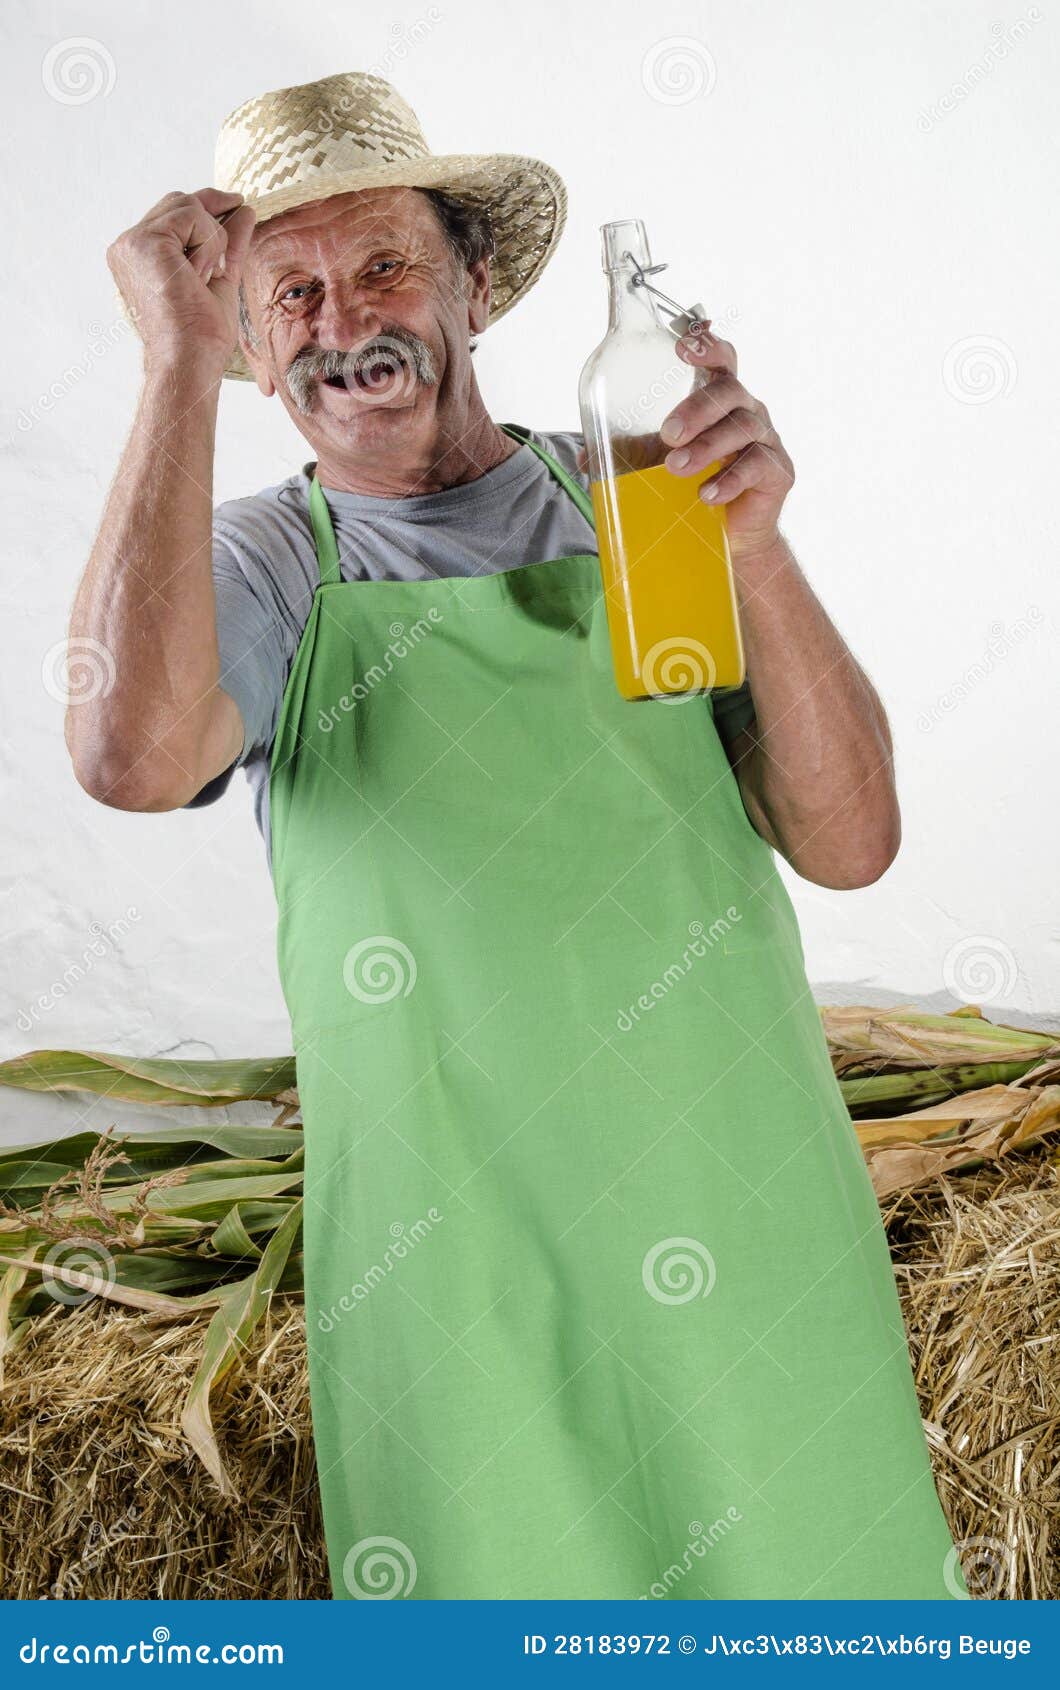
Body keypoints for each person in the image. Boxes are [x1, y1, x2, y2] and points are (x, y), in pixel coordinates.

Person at [65, 71, 967, 1601]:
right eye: (289, 293)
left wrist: (756, 547)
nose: (346, 320)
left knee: (825, 1599)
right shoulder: (266, 568)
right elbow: (129, 758)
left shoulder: (637, 505)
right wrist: (167, 371)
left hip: (731, 1207)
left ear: (477, 287)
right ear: (247, 341)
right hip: (456, 1252)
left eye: (385, 266)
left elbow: (853, 838)